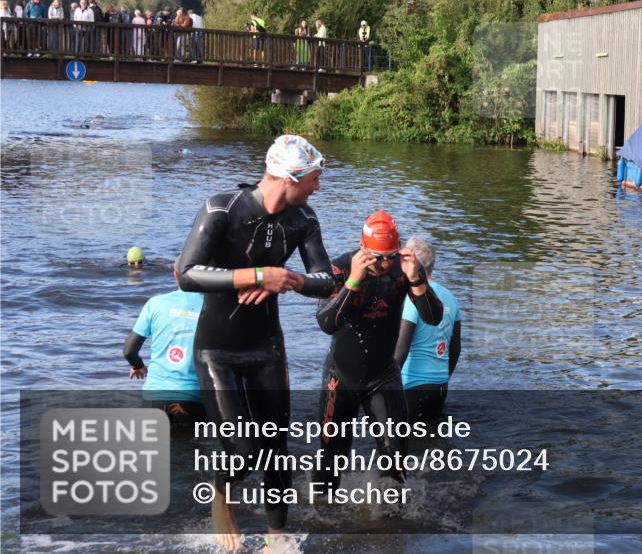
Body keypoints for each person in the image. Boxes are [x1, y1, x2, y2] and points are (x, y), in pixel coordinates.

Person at [176, 134, 335, 552]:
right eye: (314, 179)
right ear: (290, 176)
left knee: (276, 449)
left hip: (267, 347)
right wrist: (254, 276)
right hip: (217, 349)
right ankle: (219, 490)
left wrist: (292, 279)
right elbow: (185, 273)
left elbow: (327, 281)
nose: (317, 187)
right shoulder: (221, 208)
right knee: (243, 449)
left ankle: (276, 539)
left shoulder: (304, 220)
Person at [313, 210, 443, 491]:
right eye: (376, 256)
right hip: (341, 378)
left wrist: (417, 280)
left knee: (395, 461)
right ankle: (323, 521)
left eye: (389, 256)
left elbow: (433, 318)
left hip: (383, 376)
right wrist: (353, 282)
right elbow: (326, 323)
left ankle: (390, 525)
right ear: (363, 248)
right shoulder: (340, 269)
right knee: (330, 463)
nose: (384, 264)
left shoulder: (402, 270)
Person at [123, 256, 206, 427]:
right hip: (194, 399)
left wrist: (137, 366)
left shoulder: (155, 304)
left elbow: (129, 351)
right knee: (190, 451)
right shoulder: (213, 308)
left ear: (175, 275)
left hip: (154, 397)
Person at [393, 237, 461, 422]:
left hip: (410, 386)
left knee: (401, 443)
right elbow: (455, 349)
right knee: (431, 439)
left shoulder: (412, 298)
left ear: (412, 263)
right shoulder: (452, 299)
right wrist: (443, 377)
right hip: (439, 385)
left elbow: (402, 349)